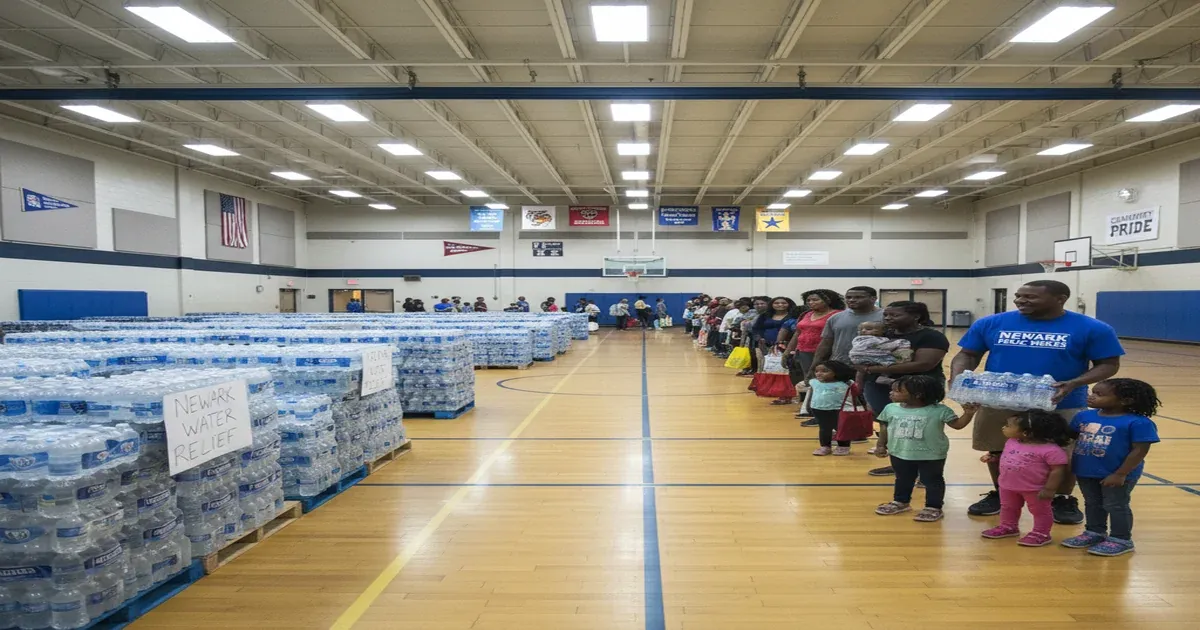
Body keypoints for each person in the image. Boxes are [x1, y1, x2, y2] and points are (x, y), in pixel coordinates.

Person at [951, 279, 1124, 524]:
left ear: (1060, 298)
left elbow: (1109, 364)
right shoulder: (992, 323)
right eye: (1019, 296)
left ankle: (1061, 498)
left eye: (1030, 297)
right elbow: (967, 354)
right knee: (999, 449)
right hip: (999, 400)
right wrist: (958, 379)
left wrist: (1073, 383)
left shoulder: (1093, 328)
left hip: (1060, 401)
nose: (1021, 301)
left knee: (1062, 454)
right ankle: (1002, 493)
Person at [1061, 378, 1160, 556]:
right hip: (1086, 470)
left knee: (1116, 505)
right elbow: (1069, 437)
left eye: (1099, 394)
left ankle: (1121, 539)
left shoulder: (1138, 423)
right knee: (1092, 503)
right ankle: (1094, 532)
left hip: (1117, 473)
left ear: (1125, 400)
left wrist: (1120, 473)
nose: (1092, 397)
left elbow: (1139, 451)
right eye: (1092, 392)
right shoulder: (1084, 416)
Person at [853, 301, 950, 477]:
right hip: (879, 386)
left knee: (921, 429)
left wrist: (872, 369)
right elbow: (862, 358)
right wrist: (861, 378)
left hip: (918, 388)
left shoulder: (932, 337)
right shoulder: (882, 334)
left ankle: (927, 471)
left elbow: (923, 364)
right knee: (890, 425)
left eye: (895, 315)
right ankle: (899, 463)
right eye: (886, 315)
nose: (888, 318)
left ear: (916, 316)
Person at [873, 375, 976, 523]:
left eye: (897, 391)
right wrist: (881, 445)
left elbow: (958, 425)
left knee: (932, 480)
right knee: (902, 478)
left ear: (918, 395)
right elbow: (884, 426)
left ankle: (933, 506)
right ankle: (901, 501)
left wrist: (968, 414)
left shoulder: (940, 410)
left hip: (931, 455)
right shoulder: (891, 408)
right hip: (899, 452)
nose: (891, 393)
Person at [980, 410, 1072, 547]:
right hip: (1007, 486)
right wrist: (995, 458)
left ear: (1026, 433)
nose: (1004, 427)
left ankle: (1041, 533)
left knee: (1040, 511)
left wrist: (1050, 489)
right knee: (1008, 507)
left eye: (1008, 425)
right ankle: (1008, 526)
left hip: (1035, 489)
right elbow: (1012, 456)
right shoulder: (1011, 442)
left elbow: (1057, 471)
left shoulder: (1051, 450)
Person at [785, 290, 844, 422]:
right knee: (811, 381)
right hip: (804, 351)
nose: (811, 303)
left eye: (815, 300)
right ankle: (812, 409)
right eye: (809, 300)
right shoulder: (806, 314)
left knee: (825, 382)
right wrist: (788, 351)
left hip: (826, 352)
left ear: (828, 300)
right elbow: (797, 333)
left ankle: (824, 411)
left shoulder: (837, 315)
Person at [799, 360, 856, 456]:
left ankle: (843, 446)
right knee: (824, 428)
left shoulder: (846, 383)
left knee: (841, 428)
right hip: (818, 409)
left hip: (838, 409)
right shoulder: (814, 382)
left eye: (824, 371)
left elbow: (856, 394)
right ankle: (825, 446)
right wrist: (808, 407)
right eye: (817, 371)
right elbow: (811, 395)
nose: (819, 374)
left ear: (836, 372)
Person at [753, 297, 799, 404]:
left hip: (787, 347)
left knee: (786, 370)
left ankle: (788, 395)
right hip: (767, 347)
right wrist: (759, 338)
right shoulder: (765, 315)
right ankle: (777, 392)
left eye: (783, 303)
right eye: (777, 303)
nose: (780, 305)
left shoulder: (793, 316)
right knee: (771, 369)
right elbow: (756, 329)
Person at [849, 321, 913, 367]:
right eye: (861, 329)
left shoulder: (881, 339)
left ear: (882, 331)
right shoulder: (863, 339)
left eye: (868, 329)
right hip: (869, 357)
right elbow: (882, 346)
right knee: (903, 343)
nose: (863, 331)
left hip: (858, 360)